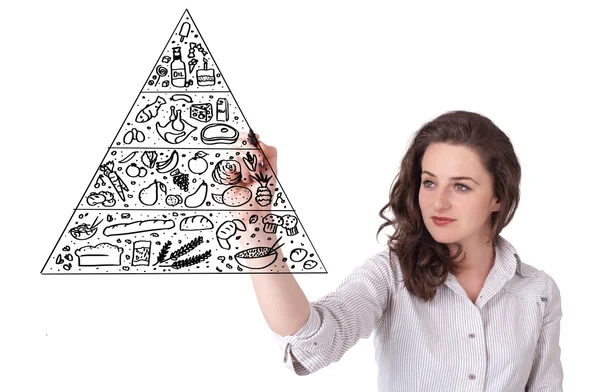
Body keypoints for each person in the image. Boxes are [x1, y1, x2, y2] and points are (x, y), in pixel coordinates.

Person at [235, 111, 563, 391]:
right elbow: (309, 342)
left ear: (499, 198)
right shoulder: (390, 274)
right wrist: (255, 222)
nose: (438, 202)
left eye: (461, 186)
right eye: (429, 182)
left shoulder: (538, 292)